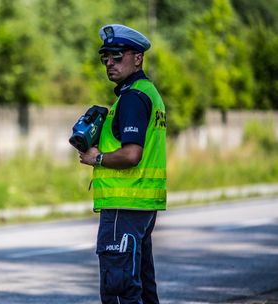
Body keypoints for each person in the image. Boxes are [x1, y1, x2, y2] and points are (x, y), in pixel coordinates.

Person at [79, 24, 167, 304]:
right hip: (141, 206)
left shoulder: (131, 98)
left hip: (124, 205)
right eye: (105, 57)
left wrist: (98, 157)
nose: (109, 63)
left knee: (119, 289)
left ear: (137, 57)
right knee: (141, 286)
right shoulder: (147, 92)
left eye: (117, 56)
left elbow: (131, 155)